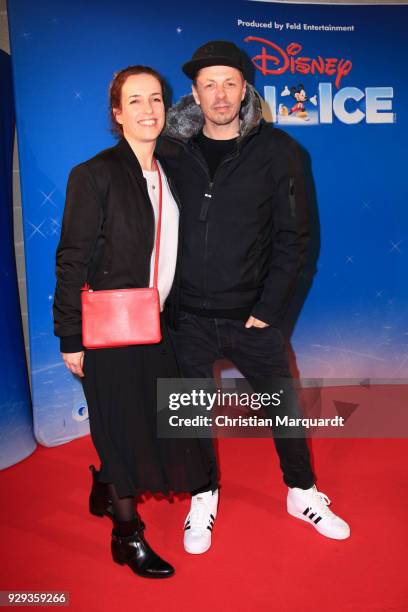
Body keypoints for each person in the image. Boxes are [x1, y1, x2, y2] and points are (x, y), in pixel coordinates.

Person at [159, 41, 350, 554]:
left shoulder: (281, 152)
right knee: (189, 416)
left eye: (229, 82)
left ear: (245, 88)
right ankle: (203, 497)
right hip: (186, 319)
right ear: (195, 94)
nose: (220, 94)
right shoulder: (169, 152)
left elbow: (296, 242)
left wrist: (269, 313)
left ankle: (302, 491)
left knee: (283, 410)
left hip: (252, 318)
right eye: (208, 84)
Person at [53, 65, 213, 578]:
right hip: (111, 329)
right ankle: (127, 537)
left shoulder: (172, 172)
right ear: (117, 114)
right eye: (136, 101)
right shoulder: (95, 173)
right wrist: (70, 336)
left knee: (156, 426)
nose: (149, 110)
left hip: (161, 325)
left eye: (157, 100)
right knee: (120, 429)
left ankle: (104, 483)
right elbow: (71, 260)